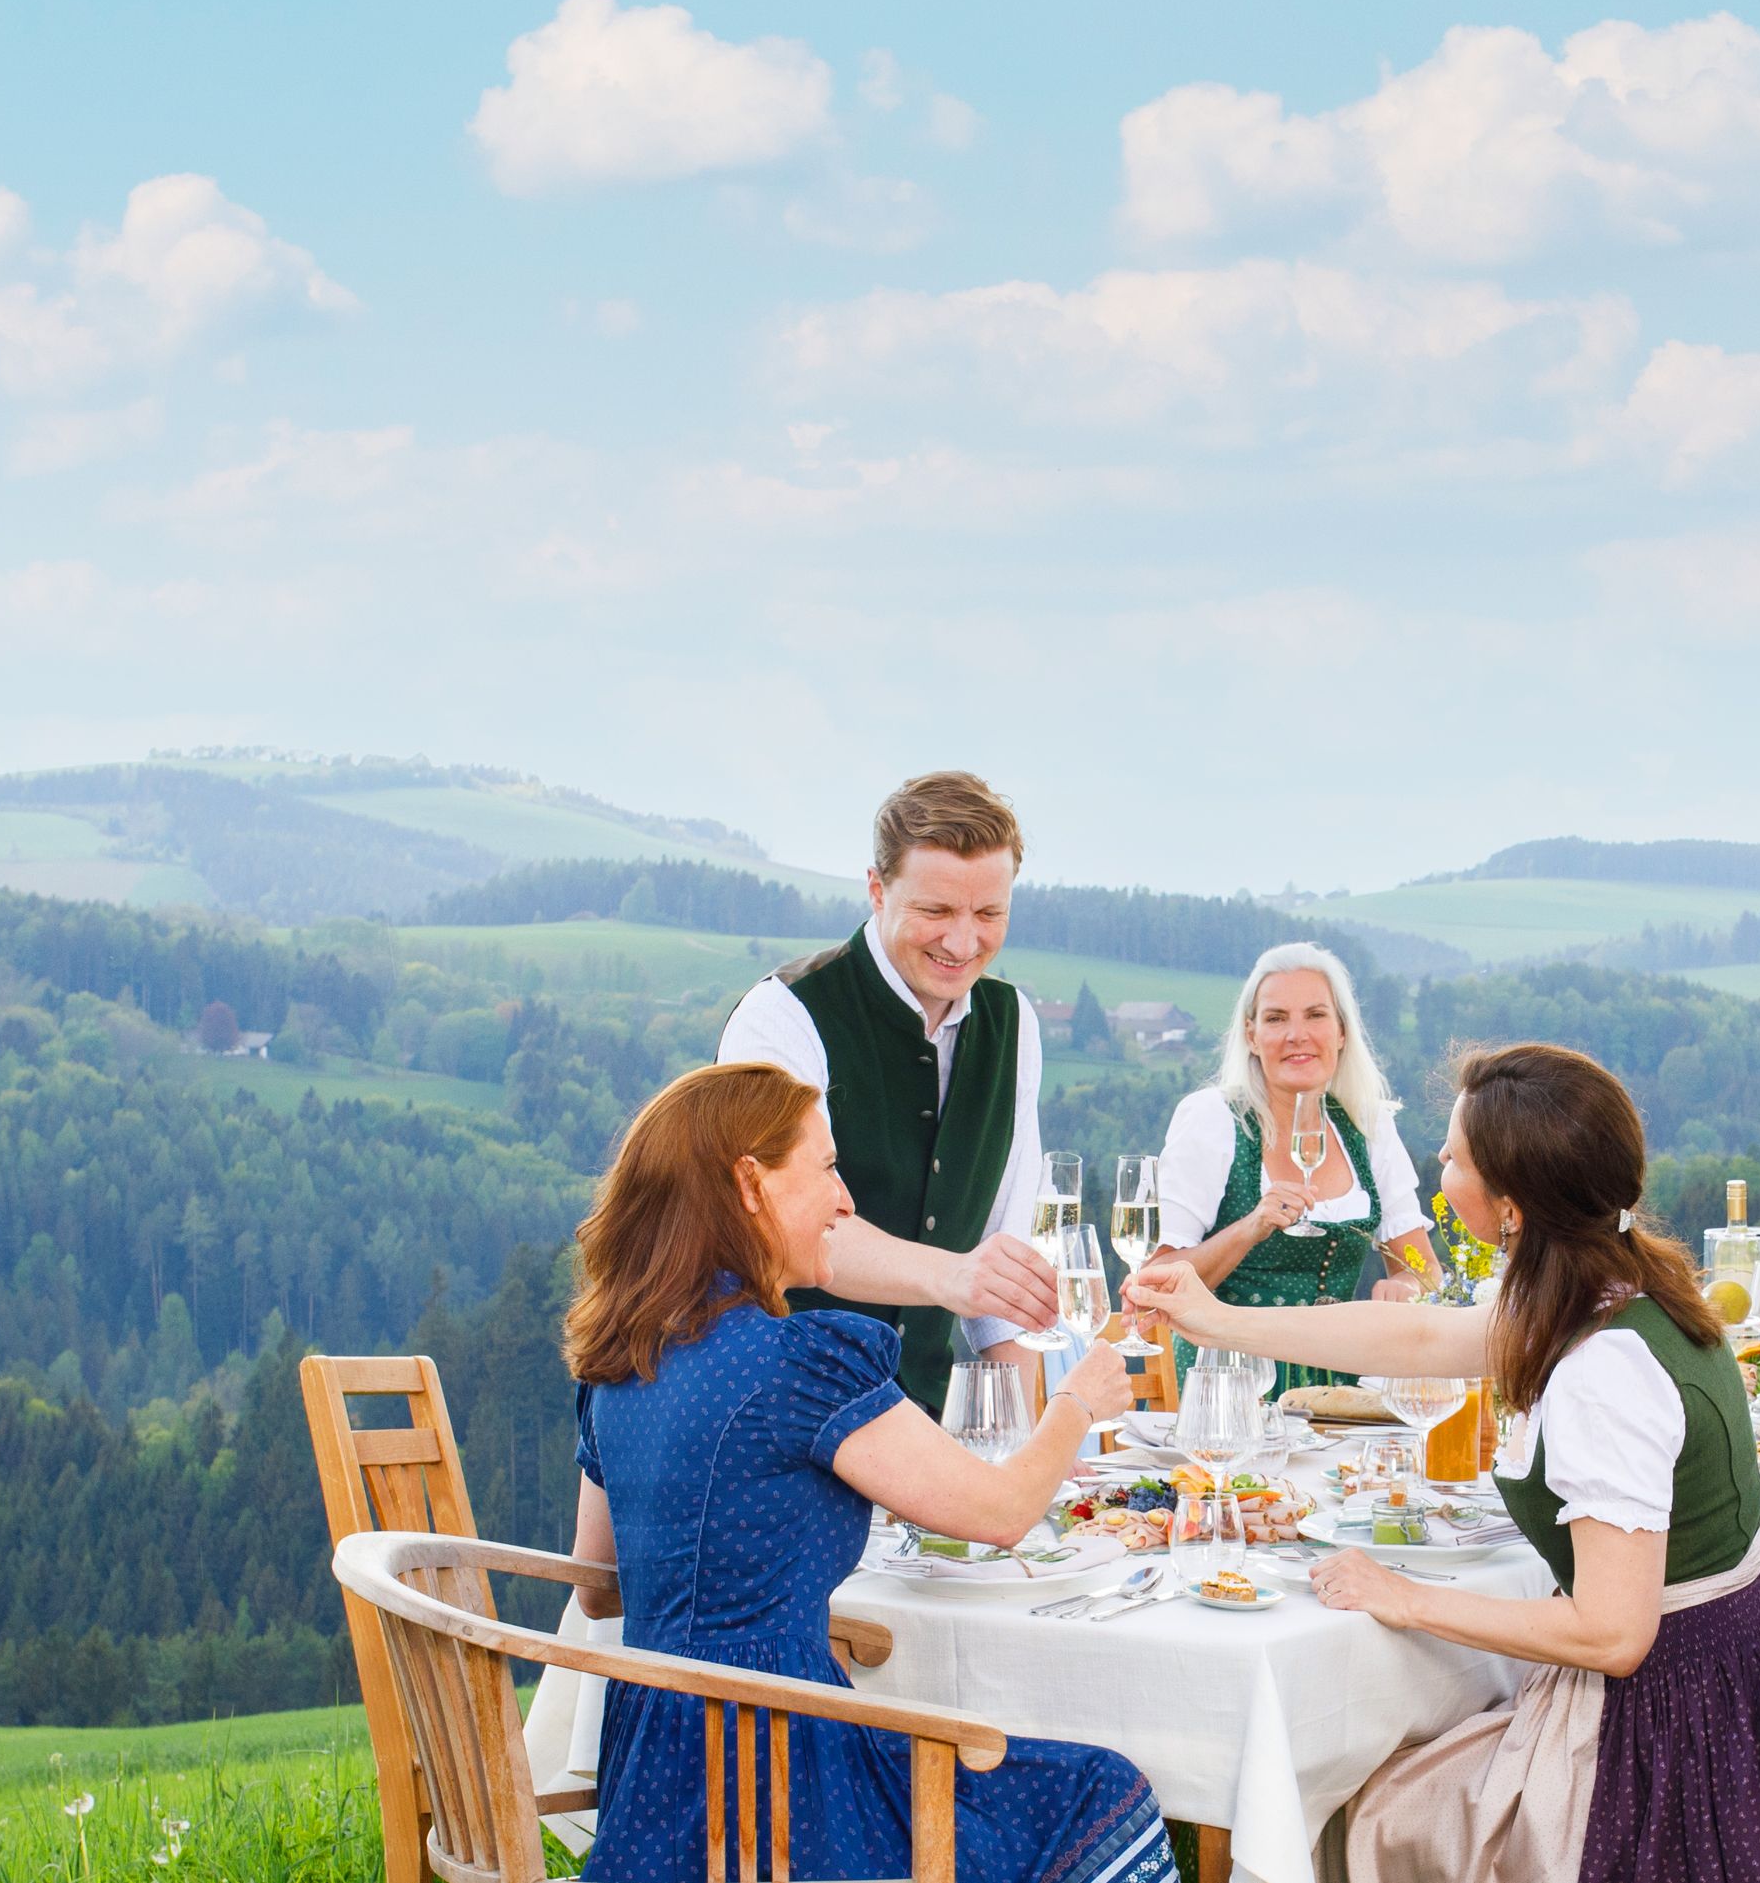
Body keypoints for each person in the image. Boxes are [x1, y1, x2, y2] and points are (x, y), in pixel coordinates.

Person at [1128, 1044, 1760, 1883]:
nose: (1437, 1163)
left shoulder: (1601, 1367)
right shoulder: (1617, 1280)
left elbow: (1614, 1633)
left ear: (1510, 1206)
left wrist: (1406, 1596)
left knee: (1378, 1816)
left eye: (1454, 1155)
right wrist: (1214, 1319)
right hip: (1756, 1672)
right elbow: (1418, 1337)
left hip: (1683, 1721)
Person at [564, 1063, 1167, 1883]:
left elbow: (599, 1584)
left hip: (654, 1790)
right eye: (825, 1167)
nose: (845, 1199)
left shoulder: (620, 1361)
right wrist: (1076, 1399)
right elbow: (1000, 1510)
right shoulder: (795, 1362)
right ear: (750, 1183)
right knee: (1101, 1789)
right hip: (786, 1789)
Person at [719, 770, 1058, 1415]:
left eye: (989, 914)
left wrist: (1023, 1455)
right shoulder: (784, 1016)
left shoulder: (1015, 1024)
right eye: (935, 911)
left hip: (923, 1427)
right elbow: (784, 1228)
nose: (963, 942)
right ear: (876, 890)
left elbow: (1006, 1252)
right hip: (776, 1416)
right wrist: (953, 1274)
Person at [1147, 941, 1439, 1395]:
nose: (1296, 1035)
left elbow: (1422, 1269)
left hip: (1340, 1394)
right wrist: (1250, 1228)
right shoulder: (1213, 1119)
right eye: (1276, 1018)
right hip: (1230, 1392)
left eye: (1315, 1015)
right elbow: (1160, 1281)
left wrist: (1407, 1286)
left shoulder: (1368, 1125)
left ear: (1342, 1031)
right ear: (1251, 1034)